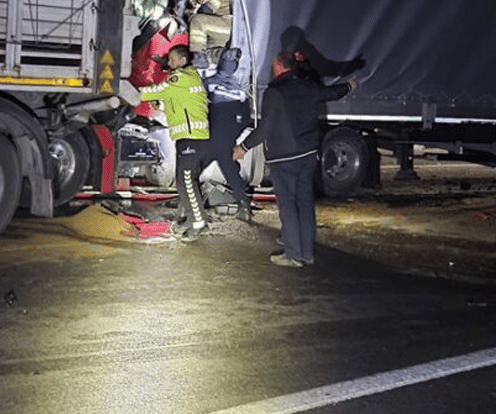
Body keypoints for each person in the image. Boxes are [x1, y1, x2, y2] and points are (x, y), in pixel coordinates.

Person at [234, 52, 359, 267]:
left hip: (284, 157)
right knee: (305, 203)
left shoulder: (275, 91)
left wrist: (244, 147)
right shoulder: (308, 86)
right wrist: (349, 86)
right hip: (308, 154)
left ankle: (293, 254)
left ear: (280, 66)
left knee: (288, 205)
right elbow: (331, 93)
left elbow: (265, 128)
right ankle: (307, 253)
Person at [137, 45, 212, 241]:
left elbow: (157, 90)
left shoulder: (180, 78)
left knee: (186, 182)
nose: (168, 63)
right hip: (190, 137)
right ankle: (191, 219)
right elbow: (177, 104)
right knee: (182, 182)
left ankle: (198, 223)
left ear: (182, 60)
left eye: (171, 59)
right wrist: (160, 105)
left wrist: (132, 92)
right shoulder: (189, 77)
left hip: (191, 138)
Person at [203, 47, 255, 221]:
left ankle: (186, 208)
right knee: (232, 175)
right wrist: (233, 134)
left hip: (208, 138)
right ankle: (244, 207)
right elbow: (245, 118)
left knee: (191, 173)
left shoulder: (208, 83)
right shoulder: (239, 90)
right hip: (226, 141)